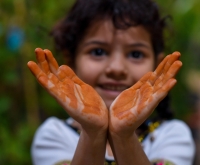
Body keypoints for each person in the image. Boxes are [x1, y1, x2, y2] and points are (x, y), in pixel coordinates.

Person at [27, 0, 195, 165]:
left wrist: (124, 136)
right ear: (70, 61)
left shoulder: (171, 136)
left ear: (158, 66)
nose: (117, 68)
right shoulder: (54, 135)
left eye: (136, 54)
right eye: (98, 52)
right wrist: (93, 132)